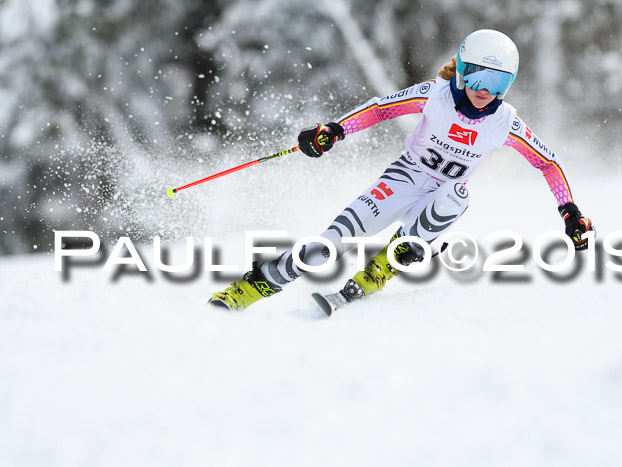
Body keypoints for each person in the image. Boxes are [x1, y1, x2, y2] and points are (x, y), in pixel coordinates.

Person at [208, 29, 594, 312]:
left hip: (442, 194)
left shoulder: (504, 123)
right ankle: (246, 291)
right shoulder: (434, 95)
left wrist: (569, 211)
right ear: (460, 69)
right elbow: (379, 108)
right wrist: (335, 130)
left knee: (457, 195)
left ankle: (386, 265)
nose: (485, 90)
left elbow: (548, 163)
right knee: (328, 246)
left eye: (498, 82)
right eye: (477, 76)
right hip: (405, 178)